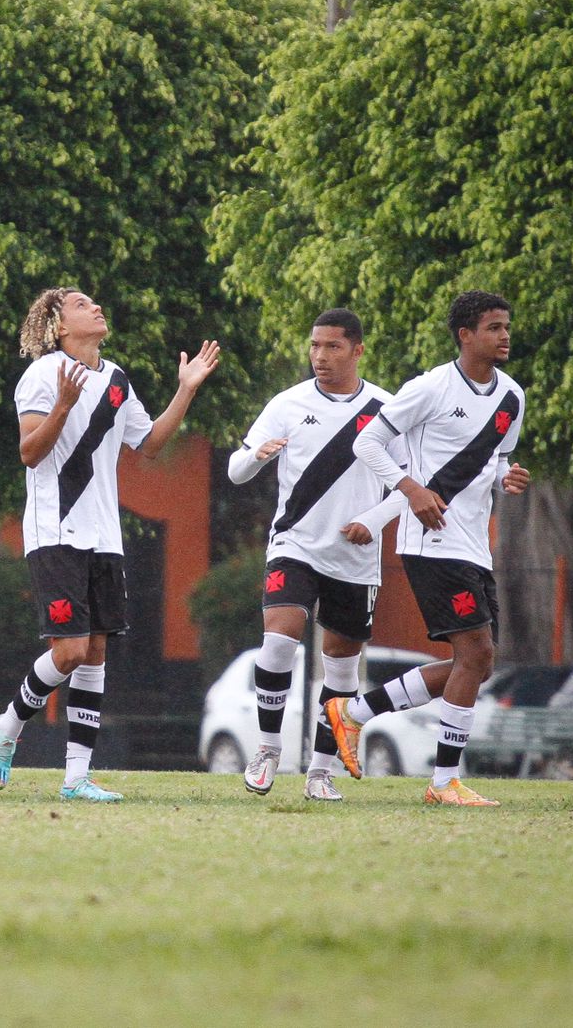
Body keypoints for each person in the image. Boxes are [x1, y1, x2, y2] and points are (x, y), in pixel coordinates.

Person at [0, 288, 220, 801]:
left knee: (94, 653)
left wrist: (186, 390)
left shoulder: (116, 379)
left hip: (105, 537)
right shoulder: (43, 376)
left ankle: (77, 778)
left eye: (96, 302)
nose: (96, 307)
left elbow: (150, 445)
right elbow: (29, 453)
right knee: (67, 651)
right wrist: (64, 407)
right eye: (82, 304)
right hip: (55, 532)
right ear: (59, 326)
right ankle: (8, 723)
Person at [329, 290, 530, 807]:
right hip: (432, 542)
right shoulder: (430, 388)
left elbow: (496, 463)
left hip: (473, 545)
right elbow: (366, 443)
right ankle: (443, 783)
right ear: (465, 335)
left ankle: (354, 713)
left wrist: (509, 477)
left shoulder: (511, 397)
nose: (504, 335)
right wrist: (411, 489)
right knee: (477, 654)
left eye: (506, 326)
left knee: (476, 663)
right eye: (493, 327)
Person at [226, 308, 405, 802]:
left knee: (341, 669)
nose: (320, 357)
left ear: (357, 350)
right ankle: (267, 748)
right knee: (279, 638)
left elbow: (410, 485)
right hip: (294, 544)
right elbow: (235, 470)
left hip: (354, 557)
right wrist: (255, 456)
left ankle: (320, 772)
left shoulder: (389, 410)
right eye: (314, 346)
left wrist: (373, 521)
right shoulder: (287, 403)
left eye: (332, 347)